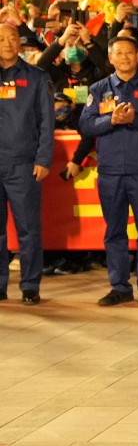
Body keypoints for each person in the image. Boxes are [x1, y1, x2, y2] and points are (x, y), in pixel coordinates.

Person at [78, 35, 138, 307]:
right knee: (114, 232)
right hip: (110, 173)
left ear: (137, 55)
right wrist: (111, 120)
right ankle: (119, 286)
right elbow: (85, 126)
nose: (124, 57)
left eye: (129, 52)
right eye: (118, 53)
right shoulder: (98, 89)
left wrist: (135, 119)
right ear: (110, 57)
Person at [0, 24, 54, 305]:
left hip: (23, 164)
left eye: (12, 38)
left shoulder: (36, 77)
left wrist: (43, 159)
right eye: (1, 39)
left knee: (28, 228)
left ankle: (30, 284)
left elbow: (47, 122)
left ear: (20, 43)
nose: (7, 43)